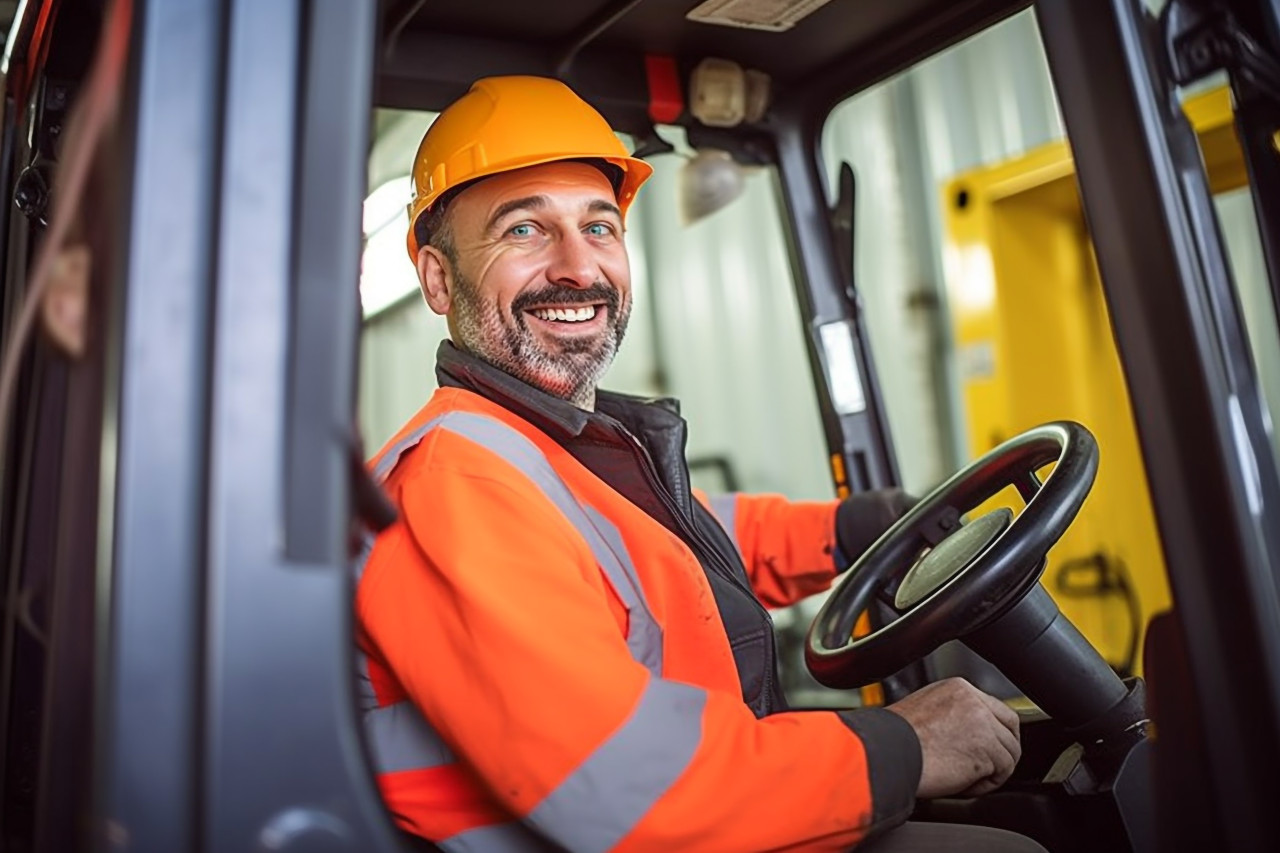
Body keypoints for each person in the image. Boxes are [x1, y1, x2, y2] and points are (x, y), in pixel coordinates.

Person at [356, 75, 1042, 853]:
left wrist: (843, 530)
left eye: (600, 226)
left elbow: (669, 549)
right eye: (523, 230)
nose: (578, 267)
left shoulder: (547, 449)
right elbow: (627, 788)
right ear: (439, 280)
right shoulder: (455, 484)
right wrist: (902, 746)